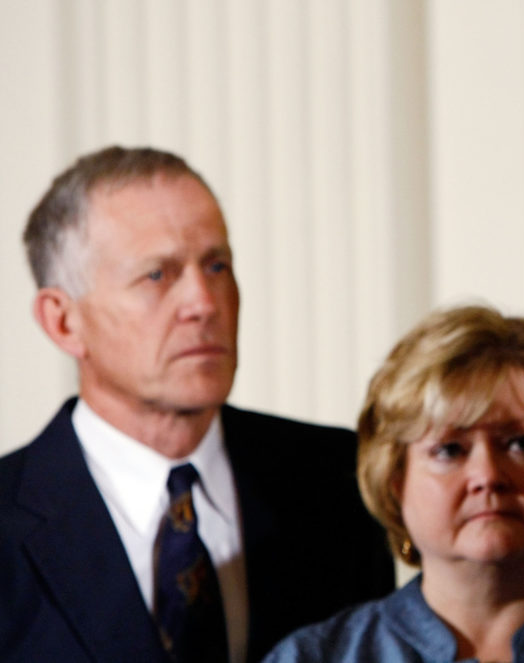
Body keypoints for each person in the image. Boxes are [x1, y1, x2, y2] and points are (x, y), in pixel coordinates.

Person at [0, 146, 394, 663]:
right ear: (63, 321)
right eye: (157, 275)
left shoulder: (341, 479)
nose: (205, 304)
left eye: (217, 266)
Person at [264, 304, 524, 663]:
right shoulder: (314, 657)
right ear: (394, 480)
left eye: (520, 443)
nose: (487, 476)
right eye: (449, 450)